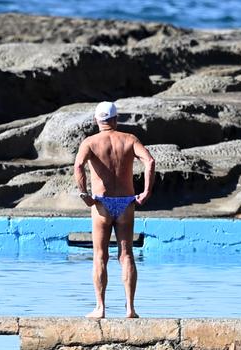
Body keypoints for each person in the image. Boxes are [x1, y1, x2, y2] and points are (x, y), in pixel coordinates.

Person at [74, 101, 155, 319]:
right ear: (115, 120)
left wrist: (84, 195)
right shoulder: (129, 139)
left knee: (100, 255)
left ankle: (100, 308)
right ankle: (130, 308)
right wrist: (146, 191)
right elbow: (149, 161)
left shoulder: (90, 142)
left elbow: (78, 166)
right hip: (126, 202)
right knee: (126, 254)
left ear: (96, 121)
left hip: (102, 203)